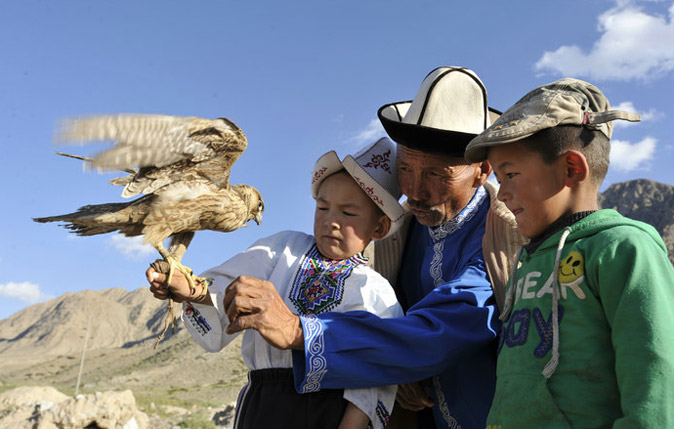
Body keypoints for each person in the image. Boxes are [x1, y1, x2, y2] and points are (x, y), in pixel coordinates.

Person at [221, 66, 525, 428]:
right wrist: (394, 367)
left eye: (436, 174)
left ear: (482, 170)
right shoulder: (396, 233)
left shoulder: (505, 236)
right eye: (406, 169)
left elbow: (447, 329)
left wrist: (298, 331)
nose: (414, 191)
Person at [148, 137, 406, 429]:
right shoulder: (284, 248)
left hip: (327, 413)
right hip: (263, 404)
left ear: (379, 226)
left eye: (347, 213)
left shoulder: (376, 292)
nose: (330, 221)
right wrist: (191, 290)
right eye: (322, 208)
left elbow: (374, 380)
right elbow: (226, 288)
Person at [464, 78, 674, 427]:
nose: (501, 194)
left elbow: (655, 382)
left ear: (572, 169)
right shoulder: (527, 260)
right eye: (499, 179)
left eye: (510, 174)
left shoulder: (622, 248)